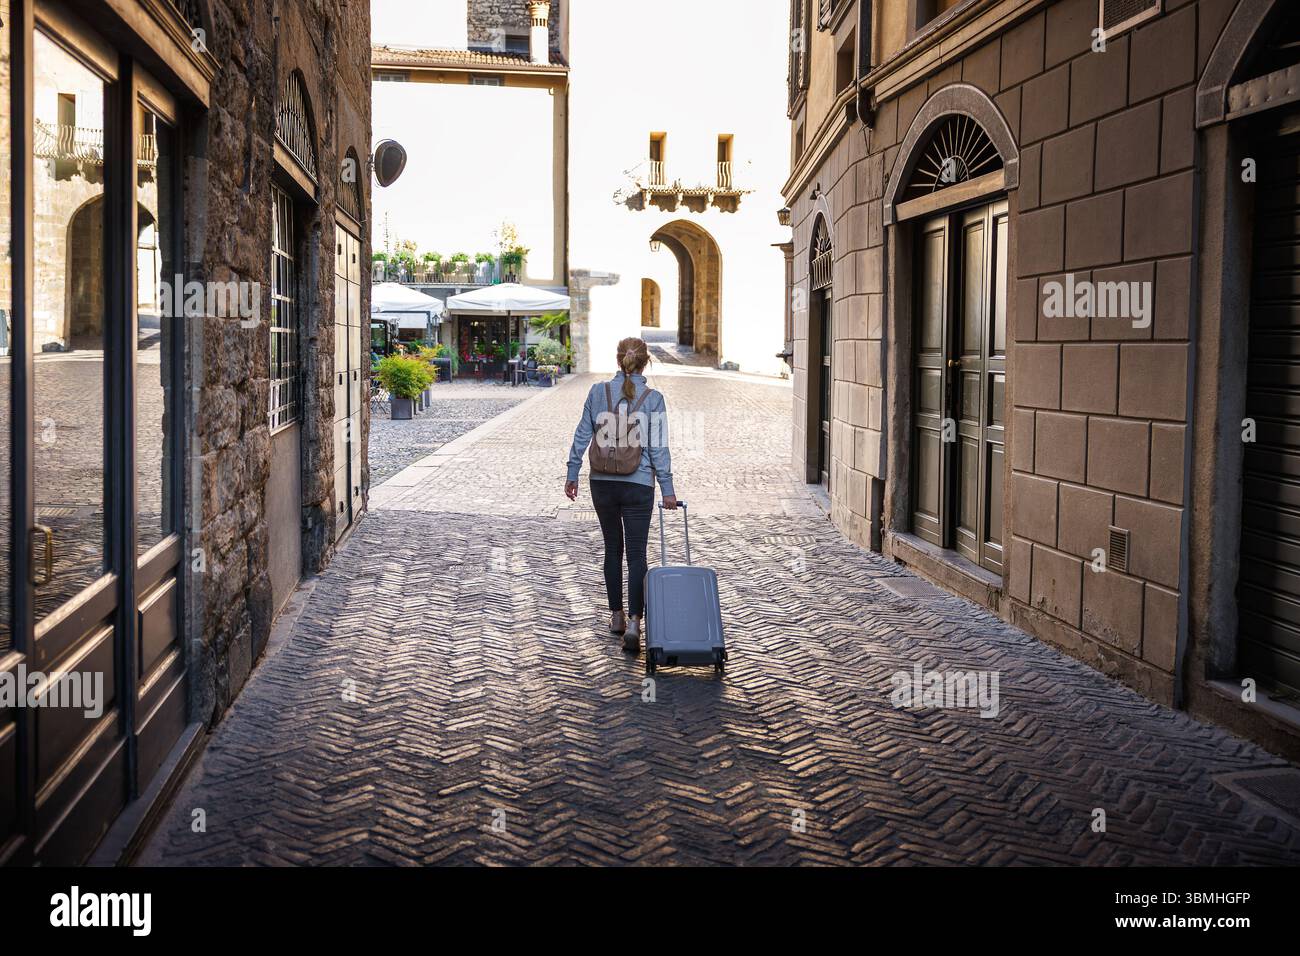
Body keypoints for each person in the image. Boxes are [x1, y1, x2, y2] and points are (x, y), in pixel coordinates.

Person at [565, 336, 677, 652]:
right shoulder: (653, 398)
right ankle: (635, 623)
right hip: (638, 484)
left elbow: (582, 435)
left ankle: (615, 615)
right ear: (645, 363)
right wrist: (667, 489)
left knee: (612, 549)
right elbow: (658, 448)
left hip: (602, 483)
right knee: (637, 553)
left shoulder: (598, 392)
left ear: (618, 361)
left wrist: (573, 473)